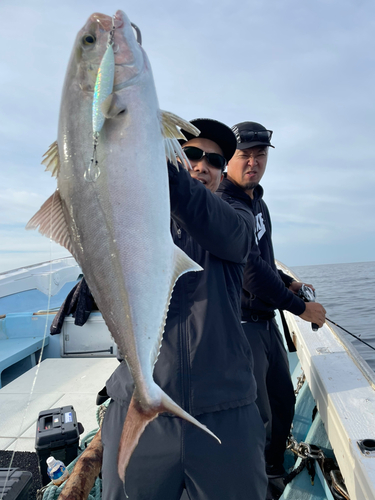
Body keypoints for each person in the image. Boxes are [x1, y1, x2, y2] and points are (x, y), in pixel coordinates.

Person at [101, 119, 268, 500]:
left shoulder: (236, 218)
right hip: (141, 408)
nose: (201, 165)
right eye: (190, 153)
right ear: (173, 154)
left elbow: (227, 232)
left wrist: (165, 174)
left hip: (225, 414)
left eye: (215, 160)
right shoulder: (135, 221)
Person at [216, 121, 326, 488]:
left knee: (282, 404)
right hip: (241, 324)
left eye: (259, 155)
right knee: (256, 414)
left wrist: (287, 282)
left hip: (266, 320)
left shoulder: (257, 200)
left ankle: (273, 471)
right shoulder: (226, 203)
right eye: (244, 155)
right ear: (229, 159)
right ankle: (256, 481)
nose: (253, 162)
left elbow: (262, 259)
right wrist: (300, 307)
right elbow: (248, 271)